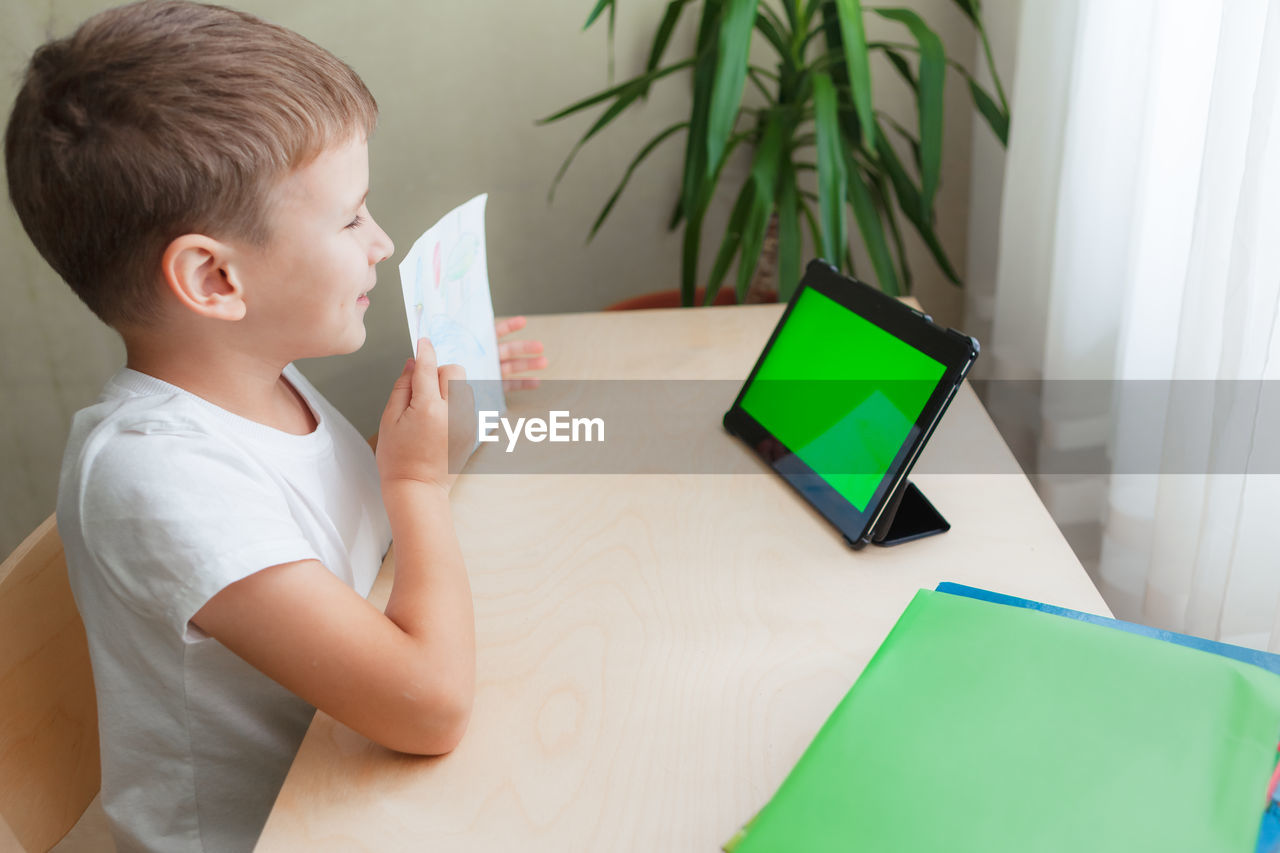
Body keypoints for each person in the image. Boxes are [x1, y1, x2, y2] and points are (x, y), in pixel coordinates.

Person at [3, 2, 545, 850]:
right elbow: (430, 704)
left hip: (344, 784)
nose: (383, 242)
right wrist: (412, 483)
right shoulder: (152, 481)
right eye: (351, 216)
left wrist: (437, 435)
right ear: (215, 279)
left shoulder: (254, 378)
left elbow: (316, 535)